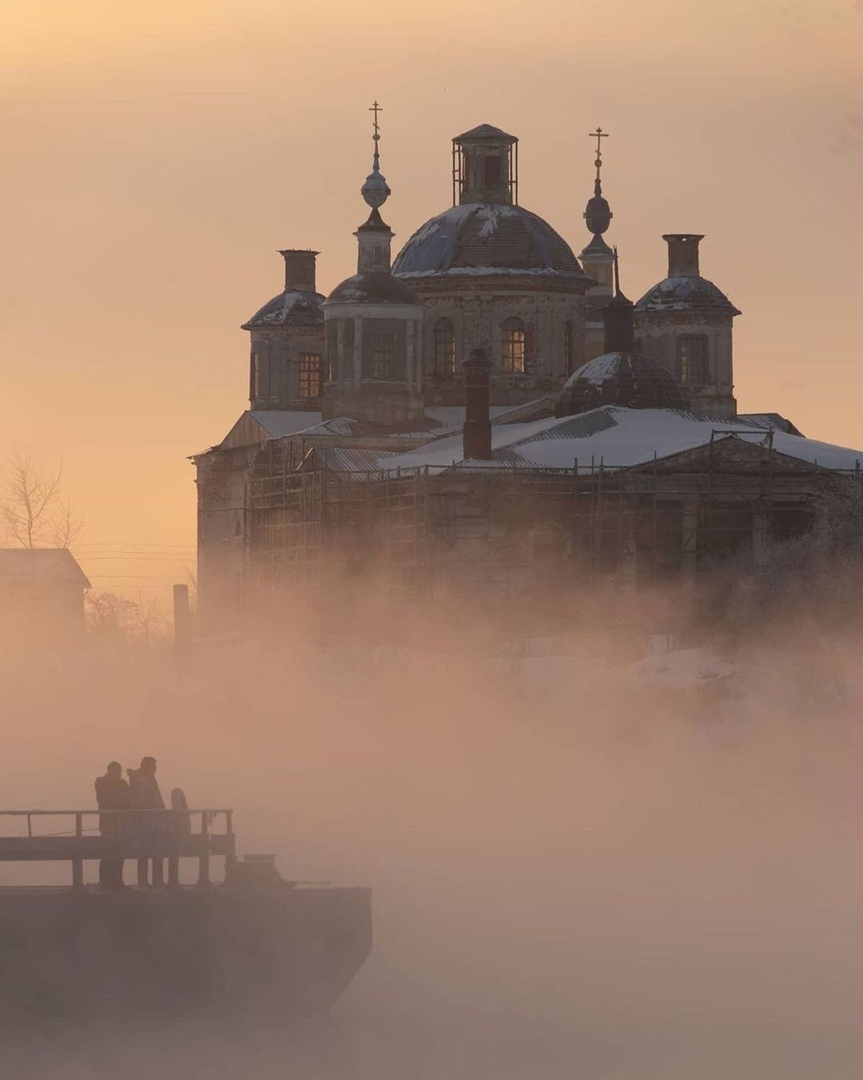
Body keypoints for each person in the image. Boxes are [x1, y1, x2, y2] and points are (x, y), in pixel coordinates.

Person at [128, 756, 165, 887]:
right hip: (143, 823)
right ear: (145, 766)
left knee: (158, 852)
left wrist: (163, 813)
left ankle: (158, 881)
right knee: (144, 853)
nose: (155, 769)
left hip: (155, 822)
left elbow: (158, 800)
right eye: (153, 767)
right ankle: (144, 882)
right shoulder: (138, 781)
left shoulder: (151, 780)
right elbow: (138, 801)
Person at [94, 761, 130, 890]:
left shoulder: (122, 784)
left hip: (121, 823)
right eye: (116, 771)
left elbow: (127, 800)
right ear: (109, 771)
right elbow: (106, 799)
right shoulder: (100, 782)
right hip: (107, 823)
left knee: (120, 854)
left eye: (119, 772)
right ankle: (105, 882)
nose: (119, 774)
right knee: (106, 853)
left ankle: (118, 881)